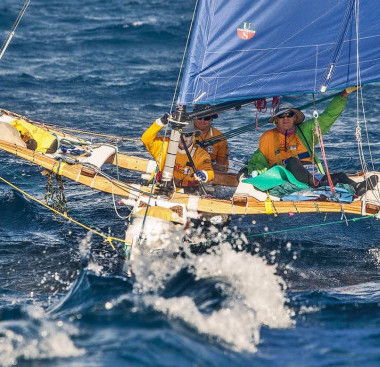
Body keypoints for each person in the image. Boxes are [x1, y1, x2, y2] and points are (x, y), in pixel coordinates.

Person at [242, 88, 378, 196]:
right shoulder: (267, 137)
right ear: (276, 120)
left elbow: (327, 117)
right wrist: (248, 171)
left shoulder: (306, 130)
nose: (286, 118)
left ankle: (358, 187)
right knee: (293, 162)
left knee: (339, 176)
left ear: (294, 117)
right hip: (288, 176)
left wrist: (343, 96)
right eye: (281, 116)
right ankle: (318, 186)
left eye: (289, 114)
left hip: (312, 174)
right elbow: (256, 162)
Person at [141, 113, 214, 192]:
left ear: (193, 134)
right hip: (160, 185)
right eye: (180, 134)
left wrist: (204, 174)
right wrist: (160, 122)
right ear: (174, 134)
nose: (183, 138)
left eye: (187, 135)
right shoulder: (164, 144)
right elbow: (146, 139)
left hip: (187, 191)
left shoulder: (201, 154)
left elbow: (210, 172)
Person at [193, 104, 229, 172]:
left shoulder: (220, 137)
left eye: (206, 118)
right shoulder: (184, 134)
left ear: (211, 119)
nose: (202, 121)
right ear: (194, 118)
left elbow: (223, 166)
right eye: (199, 118)